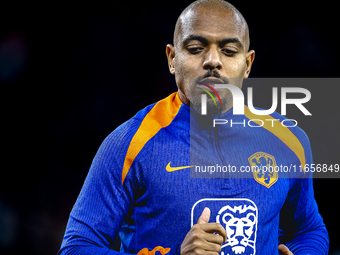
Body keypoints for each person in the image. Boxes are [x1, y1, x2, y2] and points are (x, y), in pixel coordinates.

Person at [58, 0, 329, 254]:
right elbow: (77, 246)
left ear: (247, 65)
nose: (212, 60)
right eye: (196, 48)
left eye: (229, 50)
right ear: (171, 59)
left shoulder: (289, 140)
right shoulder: (129, 144)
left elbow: (309, 229)